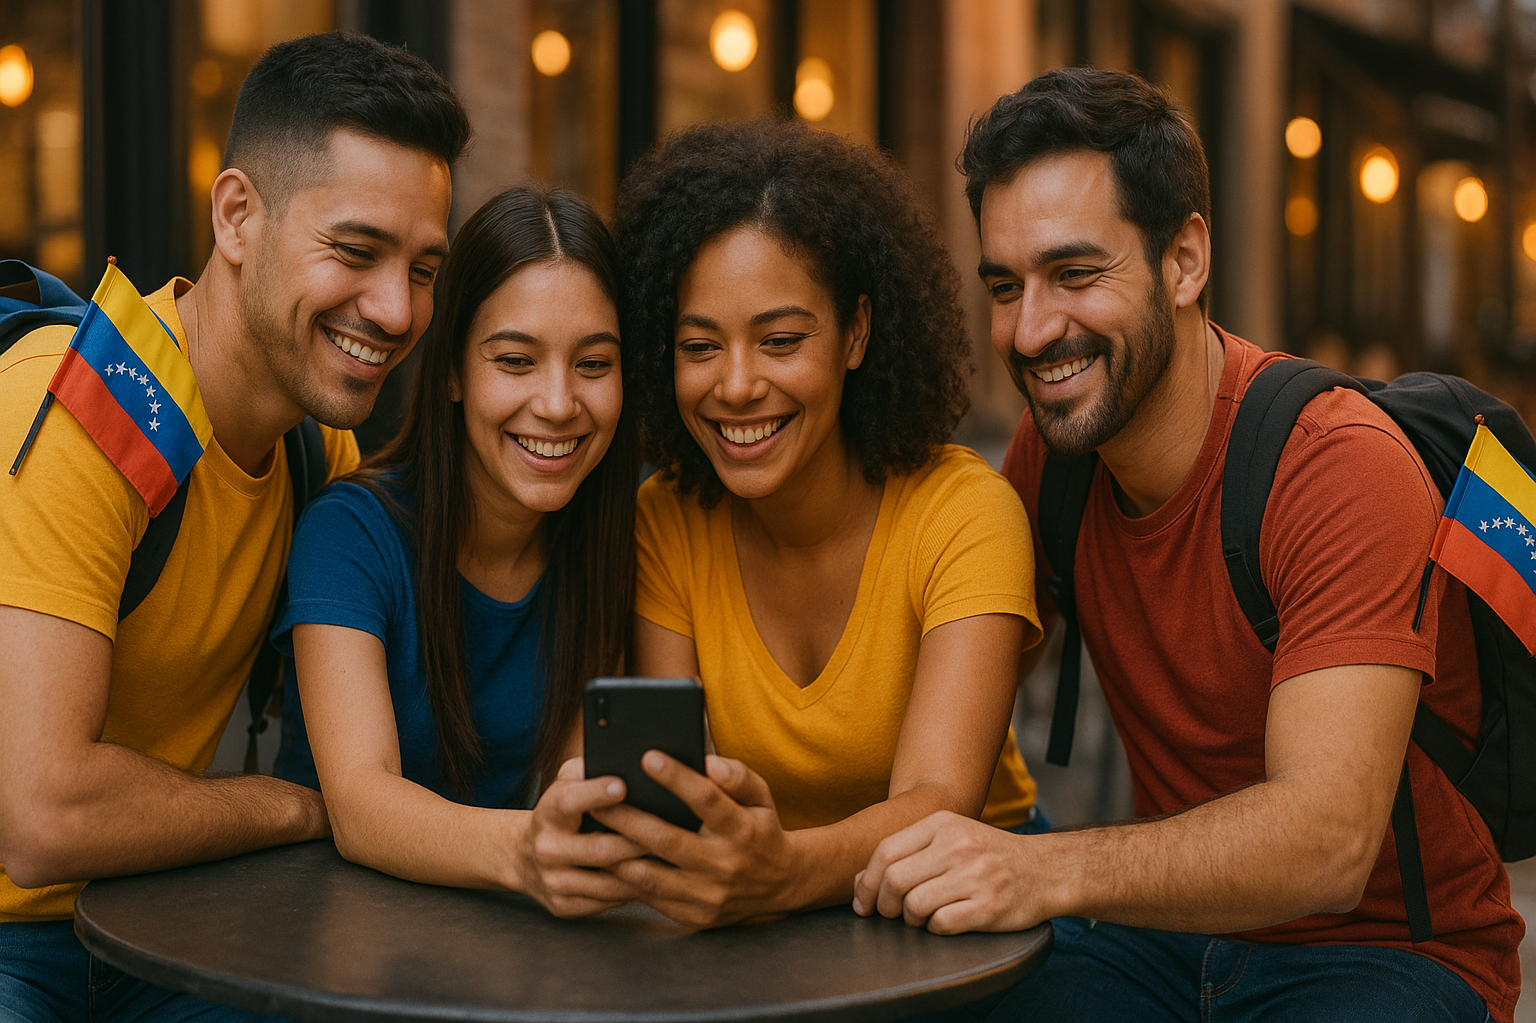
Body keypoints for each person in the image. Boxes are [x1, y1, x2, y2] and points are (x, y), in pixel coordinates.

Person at [853, 68, 1522, 1023]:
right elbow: (927, 700)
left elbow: (1328, 844)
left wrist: (1040, 868)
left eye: (1075, 275)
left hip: (1388, 956)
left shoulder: (1338, 465)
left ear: (1185, 261)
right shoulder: (1054, 459)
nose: (1032, 331)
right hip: (1165, 940)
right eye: (1005, 286)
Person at [0, 32, 470, 1021]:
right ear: (237, 216)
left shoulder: (315, 450)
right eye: (355, 252)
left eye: (425, 268)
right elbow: (40, 816)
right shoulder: (83, 408)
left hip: (143, 920)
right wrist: (296, 807)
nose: (396, 310)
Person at [597, 117, 1044, 929]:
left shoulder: (963, 513)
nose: (737, 385)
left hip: (967, 915)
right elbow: (678, 788)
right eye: (699, 347)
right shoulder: (664, 520)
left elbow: (939, 801)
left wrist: (779, 872)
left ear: (856, 332)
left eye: (779, 340)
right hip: (758, 920)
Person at [271, 184, 645, 916]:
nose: (559, 404)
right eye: (516, 361)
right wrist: (529, 850)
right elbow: (361, 803)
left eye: (594, 364)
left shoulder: (607, 538)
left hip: (507, 937)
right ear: (451, 373)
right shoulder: (351, 532)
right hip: (327, 933)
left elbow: (578, 782)